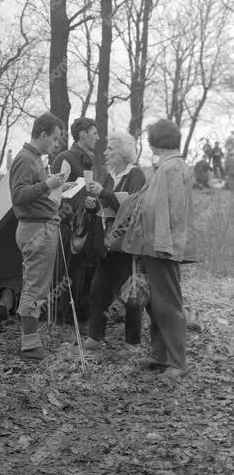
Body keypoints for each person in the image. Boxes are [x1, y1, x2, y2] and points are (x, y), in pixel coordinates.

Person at [119, 119, 197, 378]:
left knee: (168, 303)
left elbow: (167, 211)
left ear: (154, 142)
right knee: (155, 303)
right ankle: (161, 355)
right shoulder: (170, 166)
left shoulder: (171, 168)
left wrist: (161, 244)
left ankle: (177, 362)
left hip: (160, 246)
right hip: (154, 245)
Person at [10, 112, 67, 360]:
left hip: (41, 227)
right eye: (54, 139)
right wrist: (48, 185)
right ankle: (29, 346)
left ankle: (31, 342)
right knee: (34, 287)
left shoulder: (34, 159)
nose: (56, 145)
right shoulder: (25, 159)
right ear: (42, 134)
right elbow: (19, 196)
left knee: (37, 286)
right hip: (35, 229)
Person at [84, 131, 147, 352]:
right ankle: (94, 337)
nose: (105, 152)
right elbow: (104, 201)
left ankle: (133, 343)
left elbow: (135, 208)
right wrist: (92, 204)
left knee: (131, 294)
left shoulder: (136, 174)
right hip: (107, 243)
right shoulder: (108, 174)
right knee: (98, 289)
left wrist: (104, 193)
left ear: (122, 152)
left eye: (110, 148)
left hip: (127, 244)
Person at [50, 117, 99, 325]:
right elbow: (54, 194)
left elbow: (87, 191)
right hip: (66, 226)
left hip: (85, 227)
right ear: (82, 135)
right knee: (66, 273)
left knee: (83, 271)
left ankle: (79, 315)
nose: (98, 137)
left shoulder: (88, 160)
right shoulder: (65, 158)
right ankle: (63, 317)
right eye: (94, 132)